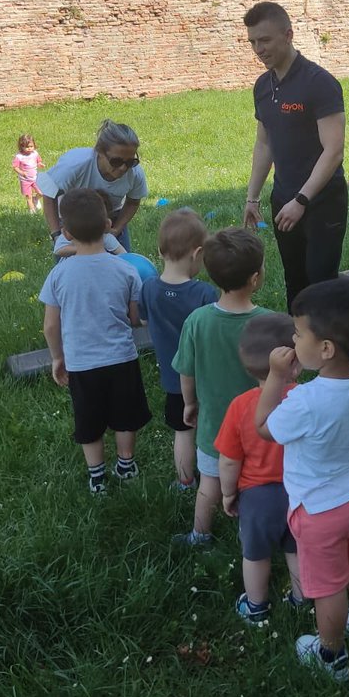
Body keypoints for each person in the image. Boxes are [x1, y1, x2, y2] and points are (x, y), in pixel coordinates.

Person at [255, 278, 349, 682]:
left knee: (329, 587)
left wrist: (276, 377)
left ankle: (331, 655)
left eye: (297, 333)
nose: (292, 341)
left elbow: (262, 427)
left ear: (325, 349)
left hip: (318, 510)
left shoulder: (305, 402)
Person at [39, 188, 151, 494]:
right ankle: (126, 466)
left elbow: (50, 325)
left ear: (65, 232)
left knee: (89, 421)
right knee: (126, 418)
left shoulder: (59, 275)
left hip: (82, 363)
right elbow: (133, 318)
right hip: (121, 358)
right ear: (107, 226)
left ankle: (97, 477)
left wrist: (57, 358)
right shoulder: (126, 269)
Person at [242, 2, 347, 310]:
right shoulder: (263, 86)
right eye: (252, 42)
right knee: (295, 281)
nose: (258, 49)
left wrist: (301, 201)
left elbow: (334, 150)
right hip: (283, 199)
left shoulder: (319, 83)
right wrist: (252, 197)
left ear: (288, 35)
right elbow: (264, 144)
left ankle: (332, 351)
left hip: (321, 201)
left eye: (265, 40)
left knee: (321, 281)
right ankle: (300, 350)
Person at [172, 227, 271, 547]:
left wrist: (189, 403)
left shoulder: (197, 321)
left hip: (214, 427)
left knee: (210, 485)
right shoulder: (269, 323)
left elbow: (185, 371)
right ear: (255, 278)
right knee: (260, 486)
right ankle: (259, 536)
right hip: (262, 429)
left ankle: (200, 535)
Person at [215, 312, 306, 623]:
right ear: (296, 363)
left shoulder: (240, 406)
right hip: (300, 490)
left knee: (255, 554)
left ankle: (256, 606)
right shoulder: (305, 400)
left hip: (257, 497)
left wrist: (228, 494)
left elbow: (228, 459)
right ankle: (300, 598)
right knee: (296, 549)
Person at [139, 209, 218, 489]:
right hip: (208, 378)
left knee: (183, 432)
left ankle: (185, 481)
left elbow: (145, 320)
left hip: (174, 381)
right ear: (198, 253)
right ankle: (218, 477)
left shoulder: (148, 289)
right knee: (213, 429)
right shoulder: (205, 294)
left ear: (160, 251)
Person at [38, 121, 147, 251]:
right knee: (71, 266)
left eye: (130, 162)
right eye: (116, 161)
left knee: (121, 263)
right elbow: (49, 195)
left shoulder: (134, 173)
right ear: (99, 152)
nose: (124, 168)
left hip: (110, 218)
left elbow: (133, 202)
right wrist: (56, 234)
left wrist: (116, 230)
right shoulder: (75, 165)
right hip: (74, 221)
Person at [12, 134, 44, 214]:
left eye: (31, 146)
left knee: (41, 192)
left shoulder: (35, 153)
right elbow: (15, 167)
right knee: (28, 196)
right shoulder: (19, 156)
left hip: (35, 178)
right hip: (25, 180)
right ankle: (32, 211)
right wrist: (21, 172)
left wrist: (40, 164)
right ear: (21, 147)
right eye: (27, 147)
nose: (29, 148)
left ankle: (35, 199)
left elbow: (38, 161)